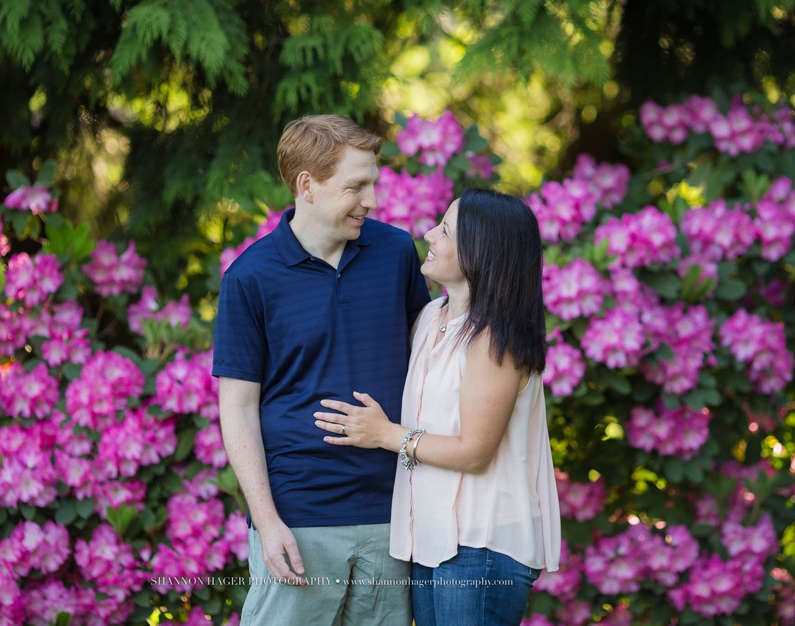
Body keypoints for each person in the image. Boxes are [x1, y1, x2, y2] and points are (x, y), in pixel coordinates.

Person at [212, 115, 431, 626]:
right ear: (306, 186)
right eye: (355, 186)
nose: (371, 200)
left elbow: (431, 360)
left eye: (373, 183)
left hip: (391, 516)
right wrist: (268, 524)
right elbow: (238, 408)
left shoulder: (396, 252)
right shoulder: (250, 278)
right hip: (300, 520)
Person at [313, 188, 561, 626]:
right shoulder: (431, 318)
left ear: (480, 252)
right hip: (433, 540)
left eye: (445, 230)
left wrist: (384, 434)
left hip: (483, 546)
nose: (428, 234)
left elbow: (474, 451)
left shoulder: (493, 340)